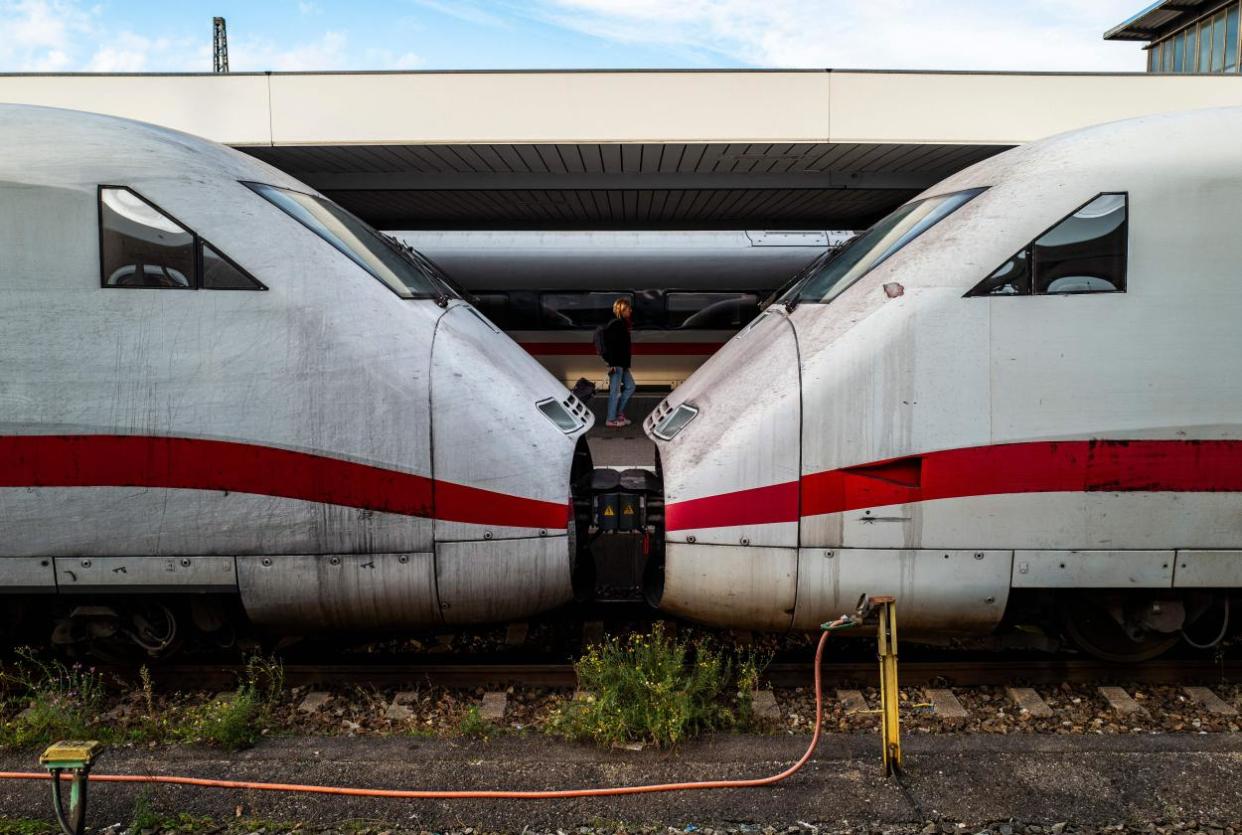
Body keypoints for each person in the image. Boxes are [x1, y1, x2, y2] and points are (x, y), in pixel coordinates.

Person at [599, 297, 636, 428]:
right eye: (628, 309)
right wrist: (612, 364)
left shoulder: (622, 324)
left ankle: (619, 413)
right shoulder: (616, 325)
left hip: (622, 364)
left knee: (631, 386)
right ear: (622, 310)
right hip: (616, 364)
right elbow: (612, 346)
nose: (630, 310)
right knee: (614, 392)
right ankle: (610, 419)